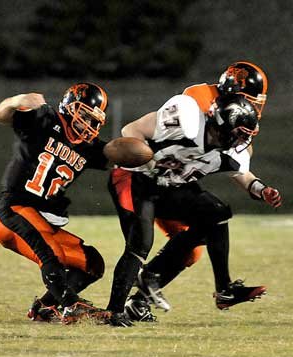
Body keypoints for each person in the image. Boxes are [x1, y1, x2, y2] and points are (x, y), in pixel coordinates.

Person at [106, 62, 282, 326]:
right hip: (138, 178)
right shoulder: (190, 112)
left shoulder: (230, 141)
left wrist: (260, 188)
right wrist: (146, 159)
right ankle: (114, 311)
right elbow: (132, 130)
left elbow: (240, 170)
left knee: (216, 214)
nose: (254, 109)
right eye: (249, 101)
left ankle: (219, 288)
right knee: (140, 243)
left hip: (171, 184)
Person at [0, 82, 112, 325]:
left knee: (92, 263)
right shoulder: (44, 120)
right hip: (15, 210)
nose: (88, 125)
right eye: (85, 116)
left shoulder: (88, 147)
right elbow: (0, 115)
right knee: (52, 254)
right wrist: (16, 100)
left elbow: (116, 154)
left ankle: (45, 308)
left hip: (43, 220)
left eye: (94, 120)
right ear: (69, 108)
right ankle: (71, 305)